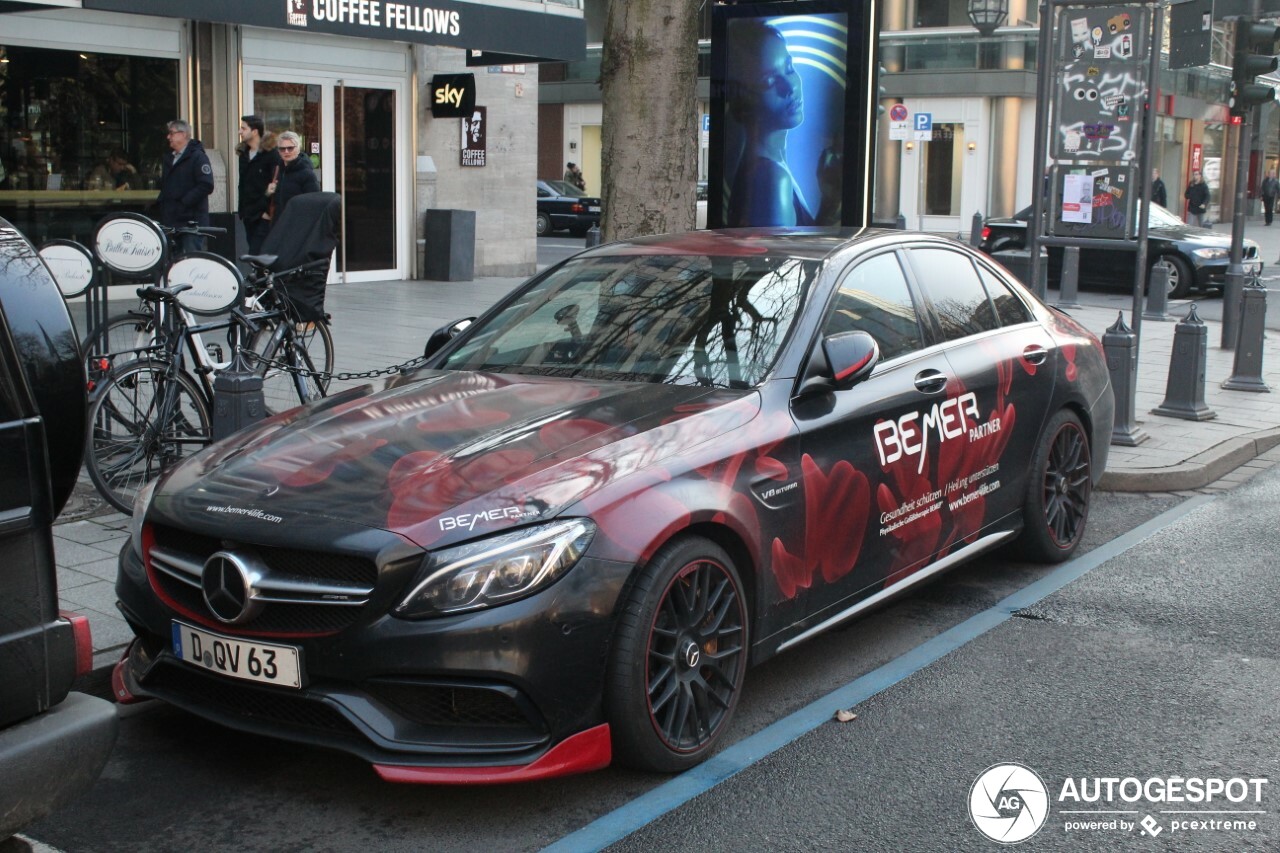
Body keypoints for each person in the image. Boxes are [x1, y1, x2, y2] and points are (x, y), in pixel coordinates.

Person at [724, 19, 840, 227]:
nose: (789, 87)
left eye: (788, 68)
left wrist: (830, 200)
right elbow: (787, 259)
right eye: (769, 81)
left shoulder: (766, 168)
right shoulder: (771, 179)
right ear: (743, 98)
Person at [156, 119, 214, 253]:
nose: (168, 137)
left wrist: (184, 202)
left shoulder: (198, 157)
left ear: (182, 135)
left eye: (171, 133)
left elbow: (206, 184)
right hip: (172, 222)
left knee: (192, 260)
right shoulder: (169, 159)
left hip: (192, 222)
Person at [236, 115, 282, 254]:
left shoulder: (271, 154)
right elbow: (243, 184)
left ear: (254, 131)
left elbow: (276, 183)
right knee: (254, 253)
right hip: (248, 215)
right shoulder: (243, 154)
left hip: (263, 215)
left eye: (243, 128)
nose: (240, 131)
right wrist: (242, 210)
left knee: (258, 254)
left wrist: (266, 212)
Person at [265, 130, 320, 227]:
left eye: (290, 148)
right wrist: (268, 193)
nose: (286, 151)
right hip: (279, 225)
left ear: (298, 149)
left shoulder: (306, 173)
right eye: (282, 149)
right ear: (278, 151)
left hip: (298, 226)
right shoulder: (277, 171)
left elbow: (314, 204)